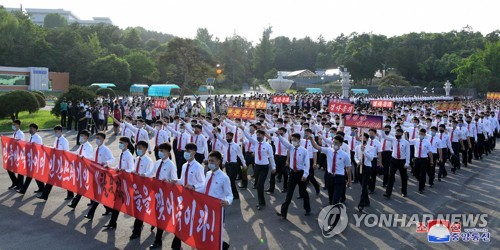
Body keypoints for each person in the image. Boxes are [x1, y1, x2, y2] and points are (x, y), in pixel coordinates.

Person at [170, 143, 205, 249]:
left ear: (194, 152)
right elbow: (183, 180)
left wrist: (194, 186)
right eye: (185, 151)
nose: (186, 153)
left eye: (188, 151)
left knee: (193, 223)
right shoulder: (185, 165)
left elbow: (203, 183)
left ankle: (216, 244)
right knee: (180, 221)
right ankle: (176, 245)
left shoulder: (198, 167)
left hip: (194, 199)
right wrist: (176, 181)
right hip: (184, 198)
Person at [149, 142, 178, 249]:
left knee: (163, 217)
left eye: (162, 151)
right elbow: (151, 174)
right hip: (156, 194)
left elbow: (174, 180)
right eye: (159, 151)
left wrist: (168, 181)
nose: (160, 153)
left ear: (168, 153)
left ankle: (158, 240)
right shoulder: (157, 163)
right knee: (157, 215)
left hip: (165, 196)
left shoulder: (171, 165)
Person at [275, 132, 310, 219]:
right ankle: (283, 212)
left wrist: (305, 174)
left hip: (300, 174)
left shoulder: (304, 151)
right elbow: (284, 142)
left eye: (295, 140)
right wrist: (279, 135)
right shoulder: (291, 148)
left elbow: (307, 163)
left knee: (304, 192)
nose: (293, 141)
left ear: (299, 140)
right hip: (292, 173)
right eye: (292, 140)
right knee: (289, 194)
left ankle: (307, 209)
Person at [102, 137, 136, 228]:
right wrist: (111, 168)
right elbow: (119, 165)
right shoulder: (122, 154)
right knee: (117, 203)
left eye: (122, 142)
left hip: (125, 183)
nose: (120, 144)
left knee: (123, 203)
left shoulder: (128, 155)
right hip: (119, 182)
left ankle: (139, 223)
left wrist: (124, 170)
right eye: (120, 142)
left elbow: (131, 169)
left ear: (127, 144)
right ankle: (113, 222)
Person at [310, 134, 352, 205]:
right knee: (331, 198)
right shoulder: (328, 150)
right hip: (330, 177)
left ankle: (336, 215)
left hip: (339, 178)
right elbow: (316, 146)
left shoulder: (345, 155)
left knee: (335, 200)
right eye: (333, 142)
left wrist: (349, 181)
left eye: (336, 143)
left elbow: (348, 169)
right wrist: (311, 139)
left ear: (341, 144)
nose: (334, 144)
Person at [241, 126, 276, 210]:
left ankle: (261, 203)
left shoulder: (268, 146)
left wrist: (274, 167)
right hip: (256, 167)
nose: (258, 136)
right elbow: (249, 137)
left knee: (260, 185)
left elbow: (271, 157)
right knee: (258, 185)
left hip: (264, 167)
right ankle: (261, 201)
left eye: (260, 135)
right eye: (257, 135)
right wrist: (242, 129)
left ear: (263, 136)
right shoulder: (255, 143)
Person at [84, 132, 115, 220]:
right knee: (98, 193)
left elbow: (112, 159)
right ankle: (109, 209)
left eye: (99, 138)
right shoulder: (95, 149)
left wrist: (106, 163)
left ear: (103, 139)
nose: (97, 139)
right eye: (96, 137)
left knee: (98, 194)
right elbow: (93, 159)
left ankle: (91, 213)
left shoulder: (105, 149)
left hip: (103, 175)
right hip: (95, 173)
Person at [129, 140, 155, 239]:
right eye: (137, 148)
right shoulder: (136, 158)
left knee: (141, 210)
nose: (138, 150)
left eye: (140, 148)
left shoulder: (148, 161)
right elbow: (133, 169)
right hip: (136, 187)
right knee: (138, 209)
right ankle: (153, 222)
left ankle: (136, 231)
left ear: (145, 148)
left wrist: (142, 175)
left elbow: (150, 173)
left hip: (144, 189)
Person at [37, 125, 70, 201]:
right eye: (54, 131)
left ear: (60, 131)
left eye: (56, 131)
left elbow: (66, 153)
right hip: (55, 163)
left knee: (64, 180)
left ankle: (70, 194)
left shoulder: (64, 141)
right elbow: (54, 149)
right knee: (51, 179)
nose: (55, 133)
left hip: (61, 163)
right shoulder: (56, 140)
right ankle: (44, 195)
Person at [67, 130, 94, 209]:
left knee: (82, 187)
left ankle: (74, 203)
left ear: (87, 137)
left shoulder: (88, 146)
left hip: (86, 170)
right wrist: (67, 152)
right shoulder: (82, 145)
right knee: (86, 187)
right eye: (80, 135)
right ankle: (95, 202)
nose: (81, 137)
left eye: (82, 136)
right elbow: (77, 152)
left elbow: (90, 158)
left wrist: (84, 157)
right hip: (80, 168)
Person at [216, 131, 246, 200]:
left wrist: (244, 164)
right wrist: (223, 162)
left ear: (232, 137)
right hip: (227, 165)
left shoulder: (236, 146)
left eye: (228, 137)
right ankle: (230, 194)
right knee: (228, 181)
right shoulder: (225, 144)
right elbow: (225, 154)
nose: (227, 138)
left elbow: (241, 156)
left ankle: (235, 195)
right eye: (226, 137)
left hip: (234, 165)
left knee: (231, 180)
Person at [18, 123, 45, 194]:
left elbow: (40, 149)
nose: (30, 129)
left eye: (32, 128)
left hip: (35, 159)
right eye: (30, 128)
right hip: (30, 158)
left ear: (35, 129)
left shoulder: (38, 138)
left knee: (29, 175)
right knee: (36, 175)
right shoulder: (31, 137)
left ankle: (23, 190)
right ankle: (42, 188)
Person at [383, 129, 411, 198]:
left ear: (402, 134)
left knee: (403, 177)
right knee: (391, 177)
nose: (397, 134)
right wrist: (382, 130)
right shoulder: (393, 139)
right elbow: (384, 137)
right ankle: (388, 193)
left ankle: (404, 192)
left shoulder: (406, 142)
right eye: (396, 133)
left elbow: (408, 153)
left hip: (402, 161)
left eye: (398, 133)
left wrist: (407, 163)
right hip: (394, 160)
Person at [354, 133, 376, 212]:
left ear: (366, 139)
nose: (361, 138)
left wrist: (364, 152)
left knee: (364, 186)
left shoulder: (371, 148)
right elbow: (355, 156)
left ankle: (361, 204)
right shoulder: (357, 147)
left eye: (363, 137)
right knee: (362, 185)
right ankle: (367, 201)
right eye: (360, 137)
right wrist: (357, 162)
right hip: (359, 167)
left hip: (367, 167)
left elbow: (371, 158)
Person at [411, 129, 433, 194]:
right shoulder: (415, 140)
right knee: (415, 173)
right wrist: (405, 134)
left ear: (425, 135)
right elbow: (408, 141)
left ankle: (421, 188)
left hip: (424, 159)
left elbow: (430, 152)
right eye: (420, 133)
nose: (421, 135)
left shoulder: (427, 142)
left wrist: (431, 161)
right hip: (417, 159)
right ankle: (421, 180)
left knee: (423, 174)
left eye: (422, 134)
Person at [9, 119, 25, 190]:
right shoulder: (14, 133)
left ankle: (20, 185)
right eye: (12, 124)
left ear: (18, 125)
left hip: (19, 154)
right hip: (13, 153)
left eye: (14, 124)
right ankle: (15, 182)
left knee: (19, 170)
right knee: (9, 168)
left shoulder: (20, 134)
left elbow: (22, 144)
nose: (13, 126)